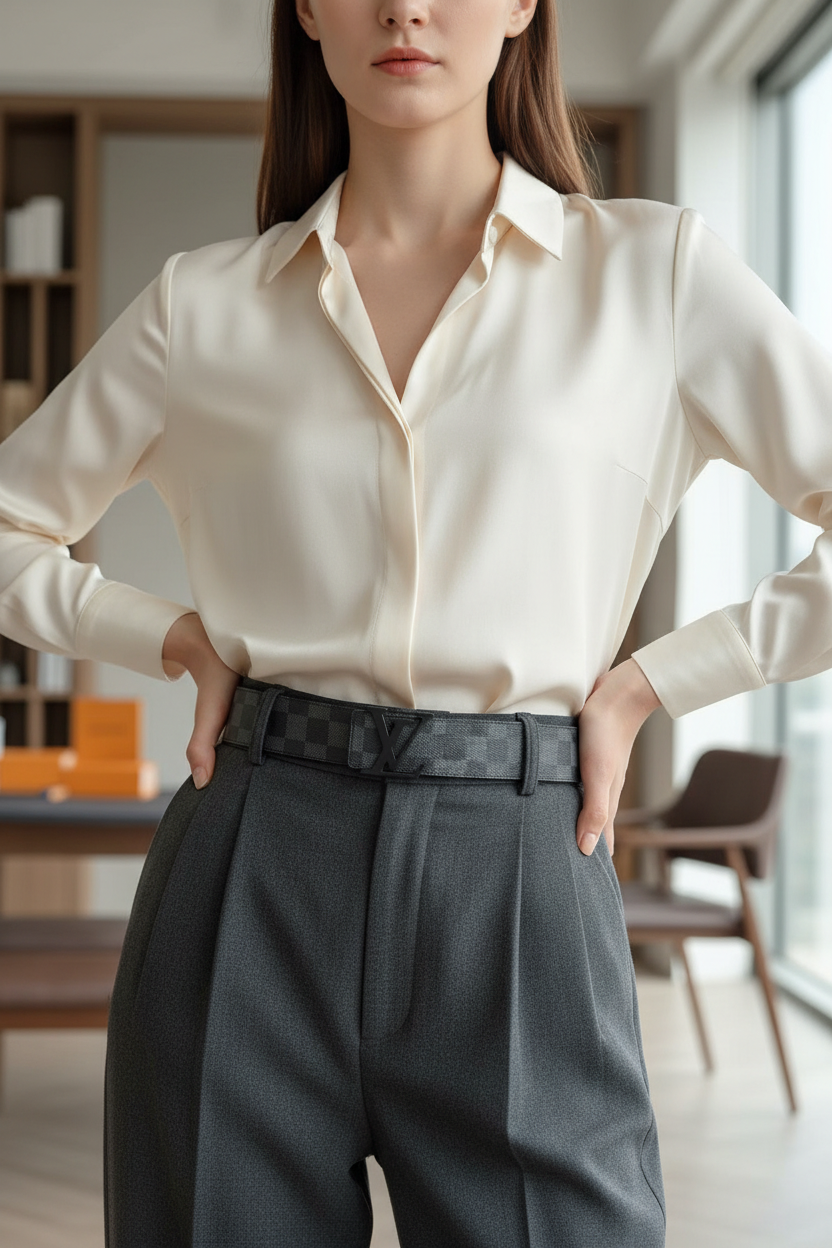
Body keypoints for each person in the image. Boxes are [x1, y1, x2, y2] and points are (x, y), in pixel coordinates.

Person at [1, 0, 832, 1244]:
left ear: (518, 8)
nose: (406, 6)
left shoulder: (653, 272)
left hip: (525, 868)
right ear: (308, 11)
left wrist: (649, 684)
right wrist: (168, 636)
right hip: (250, 862)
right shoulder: (203, 306)